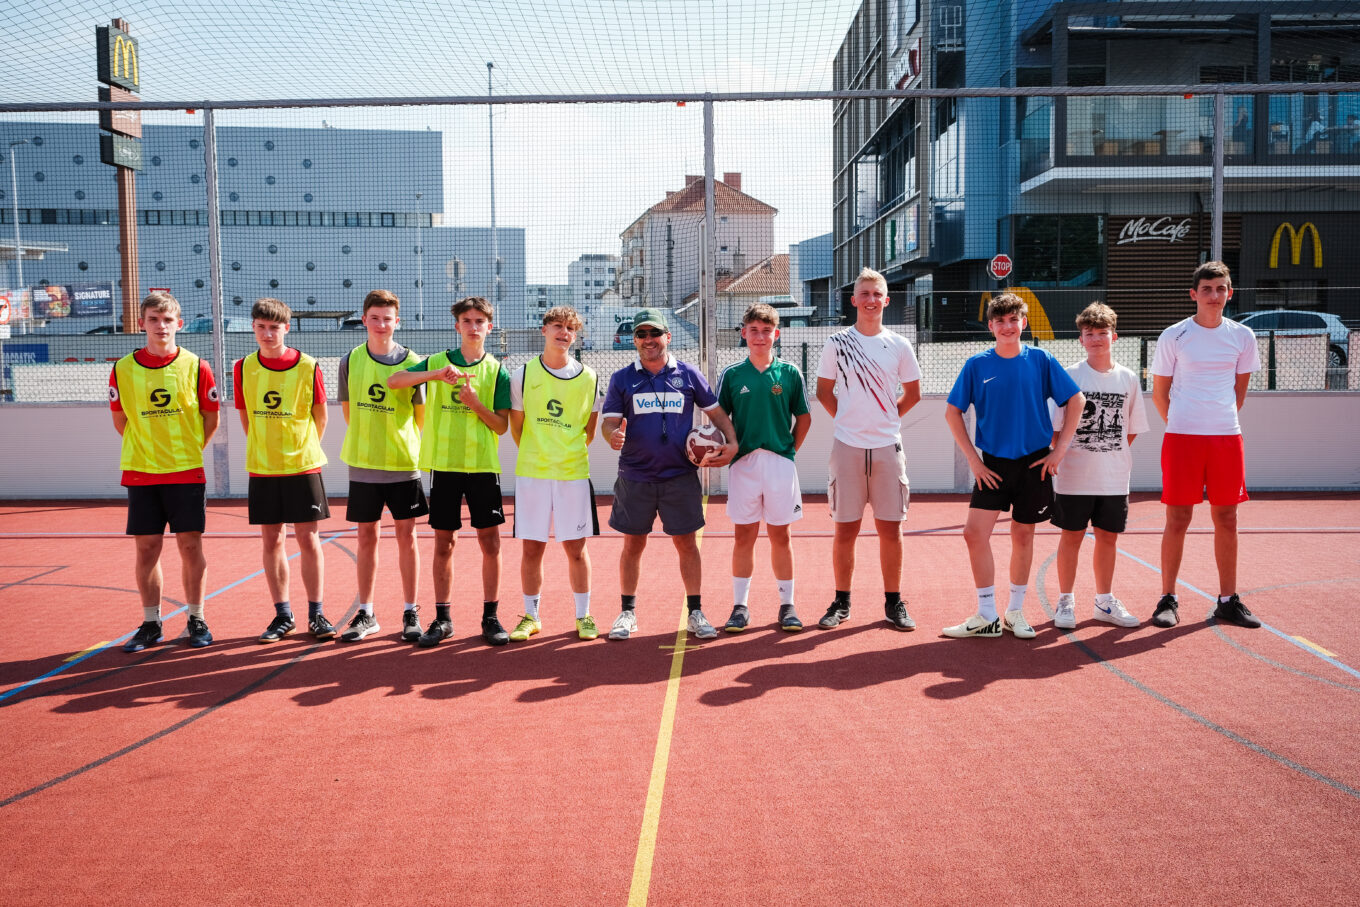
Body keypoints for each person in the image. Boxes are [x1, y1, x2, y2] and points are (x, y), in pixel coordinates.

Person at [941, 293, 1085, 639]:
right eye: (1000, 321)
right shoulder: (977, 364)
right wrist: (974, 462)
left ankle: (1015, 612)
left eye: (1013, 320)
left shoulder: (1041, 359)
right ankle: (986, 615)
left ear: (1023, 322)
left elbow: (1076, 400)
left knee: (1023, 534)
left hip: (1034, 463)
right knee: (974, 533)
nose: (1007, 326)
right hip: (992, 464)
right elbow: (952, 412)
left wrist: (1058, 451)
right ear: (991, 326)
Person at [600, 308, 737, 641]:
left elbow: (716, 413)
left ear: (667, 337)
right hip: (636, 475)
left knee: (687, 545)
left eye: (655, 334)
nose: (649, 340)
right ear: (635, 340)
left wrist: (732, 443)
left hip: (679, 476)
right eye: (642, 335)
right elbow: (607, 422)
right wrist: (611, 435)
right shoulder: (622, 378)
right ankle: (627, 613)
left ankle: (695, 612)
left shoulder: (688, 375)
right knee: (633, 545)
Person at [389, 296, 511, 647]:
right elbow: (396, 380)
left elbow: (501, 427)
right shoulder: (439, 362)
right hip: (444, 468)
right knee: (444, 543)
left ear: (489, 327)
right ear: (457, 326)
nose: (474, 327)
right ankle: (443, 619)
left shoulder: (496, 371)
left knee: (491, 543)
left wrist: (474, 404)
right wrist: (433, 375)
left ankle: (490, 617)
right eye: (467, 321)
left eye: (480, 321)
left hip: (483, 468)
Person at [1150, 261, 1261, 629]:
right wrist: (1184, 422)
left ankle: (1227, 601)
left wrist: (1216, 422)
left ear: (1230, 293)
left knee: (1227, 517)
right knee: (1178, 518)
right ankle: (1168, 598)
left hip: (1227, 437)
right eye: (1208, 289)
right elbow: (1161, 394)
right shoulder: (1174, 336)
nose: (1215, 296)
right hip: (1182, 438)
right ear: (1194, 294)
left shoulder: (1243, 337)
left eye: (1221, 289)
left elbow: (1238, 394)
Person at [110, 292, 220, 652]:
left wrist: (186, 451)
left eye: (168, 320)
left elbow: (210, 418)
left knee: (190, 546)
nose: (161, 326)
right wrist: (150, 450)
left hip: (186, 471)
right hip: (142, 472)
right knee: (147, 549)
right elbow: (120, 420)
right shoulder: (123, 368)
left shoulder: (196, 365)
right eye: (154, 319)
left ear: (179, 324)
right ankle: (150, 622)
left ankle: (197, 617)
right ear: (141, 322)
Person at [814, 267, 922, 631]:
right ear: (854, 300)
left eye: (878, 294)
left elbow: (913, 393)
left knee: (891, 529)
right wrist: (847, 420)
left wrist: (886, 419)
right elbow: (824, 392)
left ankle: (894, 603)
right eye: (865, 294)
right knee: (846, 530)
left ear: (886, 300)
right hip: (847, 448)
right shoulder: (837, 343)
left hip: (888, 448)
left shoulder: (899, 344)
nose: (871, 300)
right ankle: (841, 602)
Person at [235, 298, 333, 643]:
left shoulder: (307, 365)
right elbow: (245, 416)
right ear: (253, 328)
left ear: (286, 329)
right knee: (272, 540)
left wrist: (300, 447)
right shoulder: (243, 367)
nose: (267, 333)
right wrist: (267, 447)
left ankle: (317, 614)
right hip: (263, 468)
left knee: (308, 538)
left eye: (274, 327)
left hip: (302, 466)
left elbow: (320, 417)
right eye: (261, 327)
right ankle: (283, 615)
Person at [1049, 302, 1149, 630]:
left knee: (1108, 538)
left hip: (1114, 478)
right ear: (1080, 339)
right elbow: (1055, 428)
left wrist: (1107, 451)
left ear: (1114, 336)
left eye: (1102, 333)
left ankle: (1104, 601)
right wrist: (1077, 452)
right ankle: (1066, 600)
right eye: (1089, 334)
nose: (1096, 339)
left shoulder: (1128, 378)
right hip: (1074, 477)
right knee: (1071, 537)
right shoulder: (1070, 376)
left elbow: (1131, 429)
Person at [336, 289, 427, 643]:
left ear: (397, 322)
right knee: (366, 536)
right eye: (374, 317)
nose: (381, 323)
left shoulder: (414, 361)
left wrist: (399, 444)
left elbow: (419, 416)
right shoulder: (350, 360)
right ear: (364, 320)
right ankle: (367, 612)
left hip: (402, 464)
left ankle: (410, 611)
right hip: (363, 463)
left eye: (387, 318)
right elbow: (348, 411)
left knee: (407, 536)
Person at [716, 303, 811, 632]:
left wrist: (789, 452)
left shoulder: (789, 373)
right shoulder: (731, 375)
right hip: (743, 464)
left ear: (777, 334)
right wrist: (728, 447)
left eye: (766, 330)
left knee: (781, 536)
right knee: (743, 536)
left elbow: (804, 416)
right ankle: (740, 607)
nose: (760, 336)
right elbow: (719, 419)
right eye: (753, 330)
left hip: (780, 463)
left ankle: (787, 606)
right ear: (744, 333)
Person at [508, 306, 601, 641]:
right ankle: (531, 617)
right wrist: (541, 452)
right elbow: (516, 429)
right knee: (532, 549)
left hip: (572, 474)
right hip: (533, 473)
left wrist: (564, 453)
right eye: (557, 326)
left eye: (570, 328)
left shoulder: (588, 377)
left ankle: (584, 616)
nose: (563, 333)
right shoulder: (522, 374)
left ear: (575, 335)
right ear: (544, 330)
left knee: (576, 549)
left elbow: (589, 431)